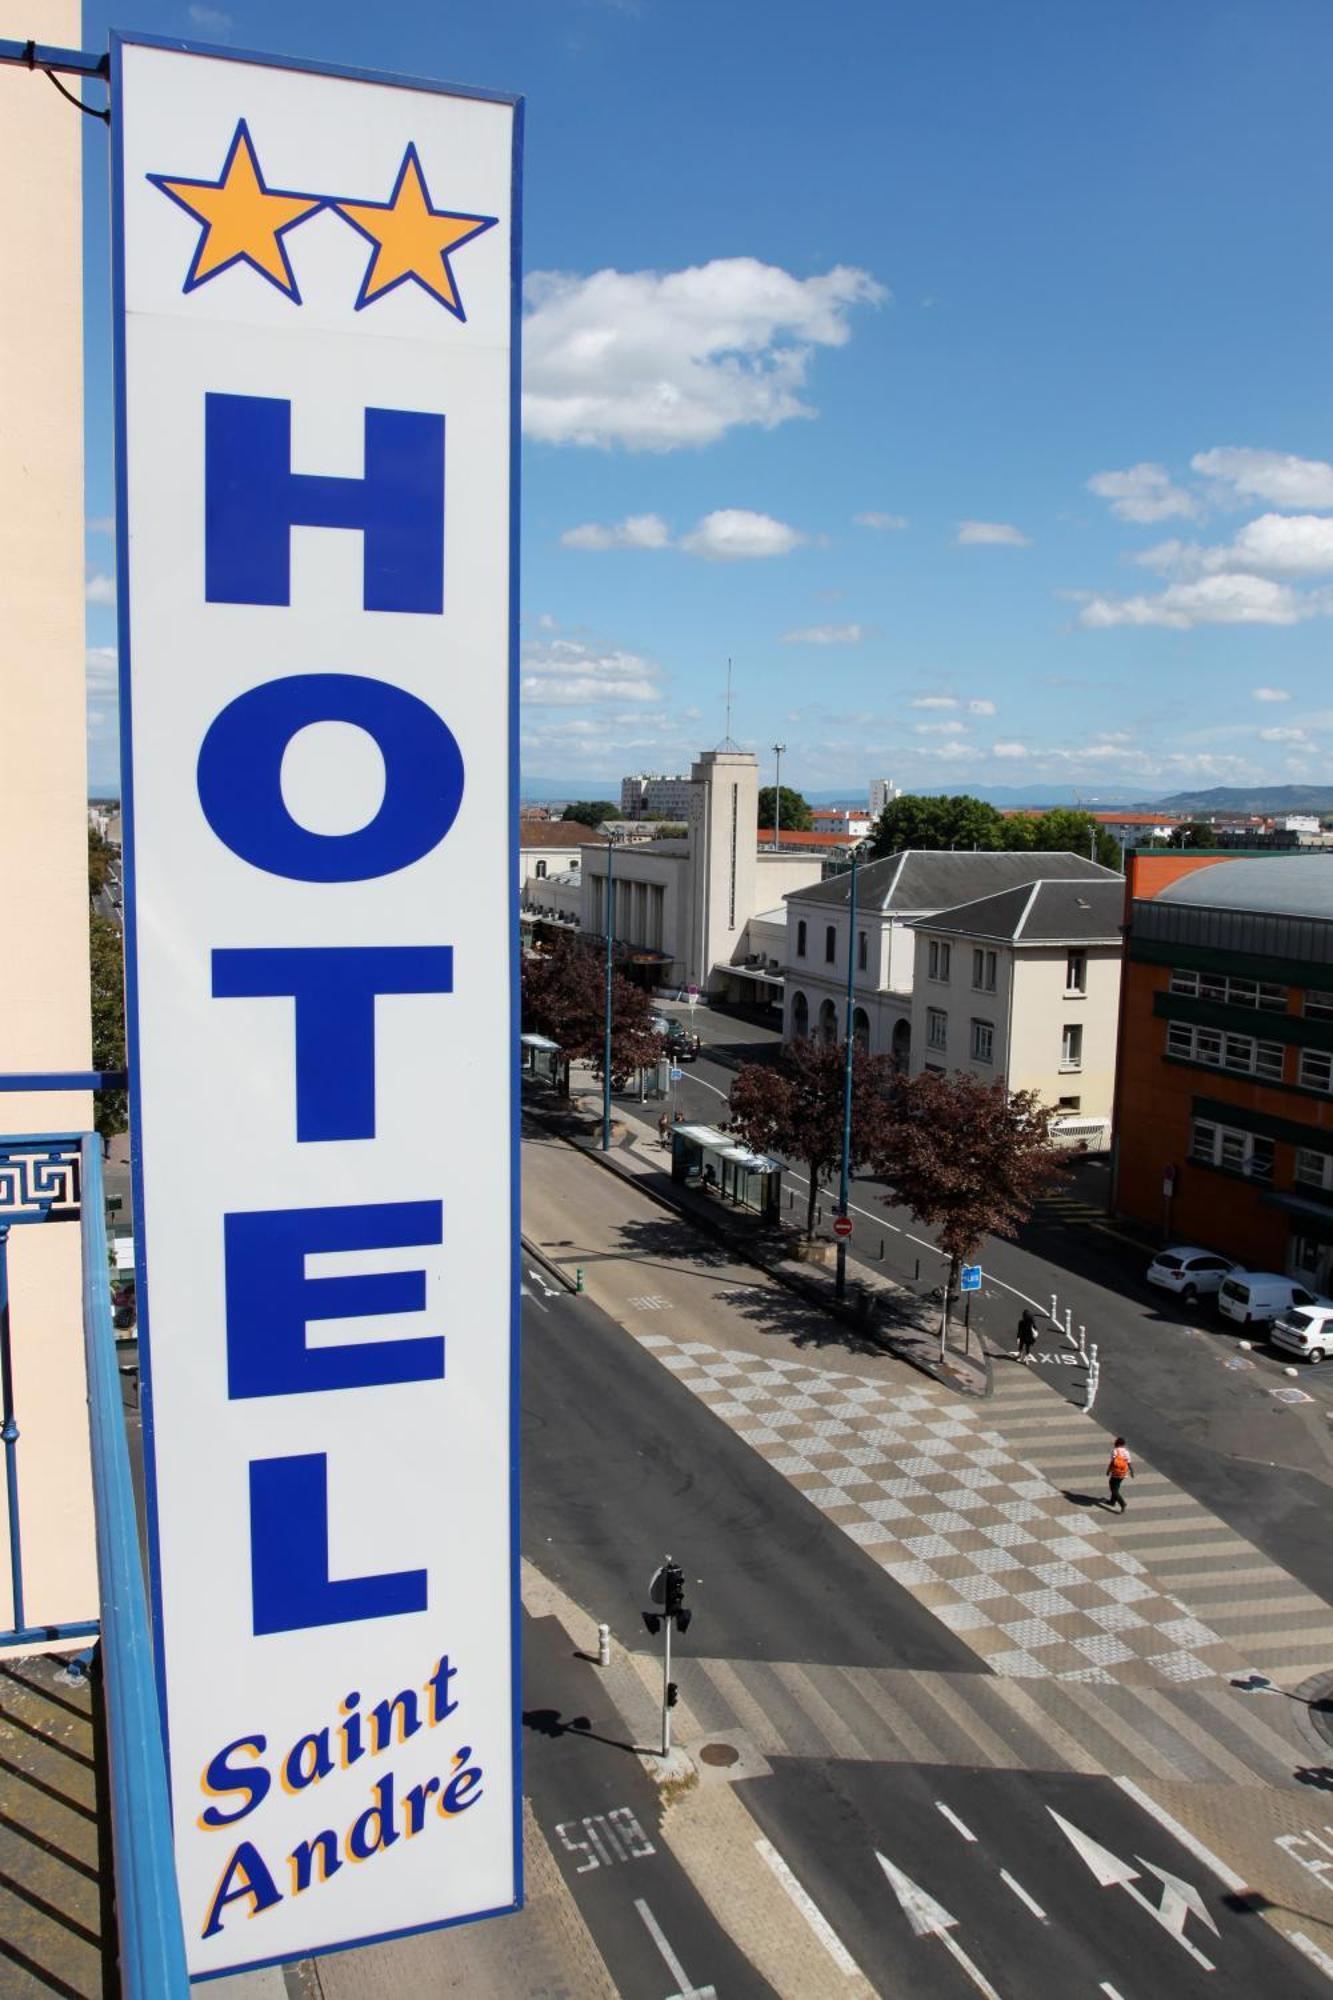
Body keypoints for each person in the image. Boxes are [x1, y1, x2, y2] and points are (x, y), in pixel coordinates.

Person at [1106, 1437, 1133, 1512]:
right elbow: (1129, 1463)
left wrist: (1108, 1471)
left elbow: (1112, 1462)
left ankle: (1122, 1503)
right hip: (1123, 1473)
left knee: (1113, 1488)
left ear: (1116, 1443)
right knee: (1116, 1486)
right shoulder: (1126, 1452)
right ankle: (1112, 1501)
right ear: (1123, 1444)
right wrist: (1131, 1471)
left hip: (1116, 1472)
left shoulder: (1114, 1451)